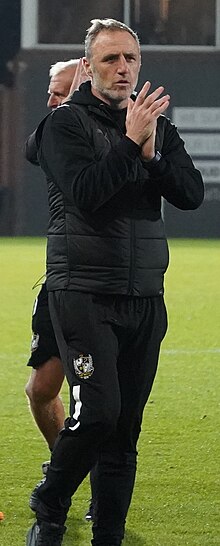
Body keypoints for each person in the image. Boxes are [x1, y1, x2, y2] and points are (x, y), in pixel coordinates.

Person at [26, 18, 204, 546]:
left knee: (124, 428)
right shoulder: (64, 126)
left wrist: (151, 153)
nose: (123, 68)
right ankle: (51, 501)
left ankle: (109, 531)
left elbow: (191, 193)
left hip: (146, 295)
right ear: (89, 68)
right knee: (98, 412)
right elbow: (85, 193)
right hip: (82, 291)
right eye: (111, 59)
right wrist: (130, 144)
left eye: (130, 59)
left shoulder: (157, 126)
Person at [25, 58, 95, 519]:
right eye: (51, 92)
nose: (53, 100)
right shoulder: (56, 133)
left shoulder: (110, 134)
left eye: (62, 92)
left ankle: (102, 493)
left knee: (97, 400)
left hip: (100, 285)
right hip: (59, 279)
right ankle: (63, 470)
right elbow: (32, 149)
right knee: (40, 389)